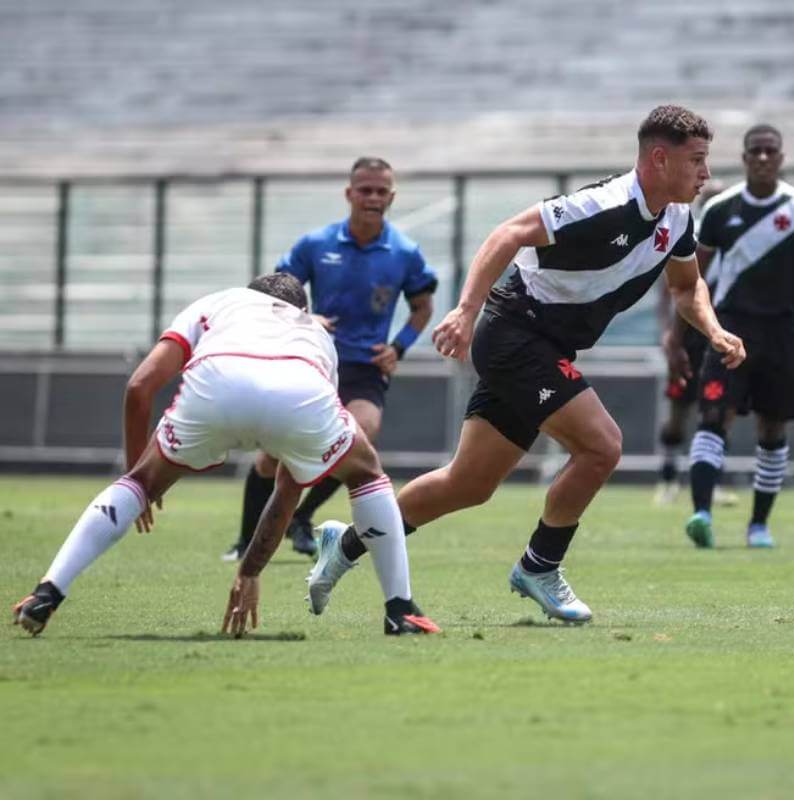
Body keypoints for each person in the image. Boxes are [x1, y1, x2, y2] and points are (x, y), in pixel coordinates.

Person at [303, 105, 746, 624]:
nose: (706, 173)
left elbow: (687, 285)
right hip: (515, 333)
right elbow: (506, 234)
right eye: (697, 160)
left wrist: (713, 331)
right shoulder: (601, 205)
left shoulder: (677, 218)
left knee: (467, 485)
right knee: (601, 446)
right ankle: (540, 566)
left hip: (545, 348)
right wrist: (465, 312)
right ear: (659, 159)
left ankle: (347, 543)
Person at [11, 274, 438, 638]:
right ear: (301, 308)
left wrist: (138, 476)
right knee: (365, 474)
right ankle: (400, 610)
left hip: (218, 380)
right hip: (299, 387)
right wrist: (251, 570)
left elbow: (140, 386)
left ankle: (47, 592)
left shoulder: (217, 303)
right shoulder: (317, 333)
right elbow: (289, 485)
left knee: (137, 486)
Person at [222, 157, 438, 562]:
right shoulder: (315, 244)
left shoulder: (405, 252)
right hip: (315, 361)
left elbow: (423, 307)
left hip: (365, 368)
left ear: (391, 197)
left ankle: (301, 517)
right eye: (365, 190)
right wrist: (305, 316)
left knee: (361, 436)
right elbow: (273, 293)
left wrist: (399, 347)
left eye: (380, 191)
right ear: (349, 194)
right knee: (272, 456)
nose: (372, 197)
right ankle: (246, 541)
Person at [677, 124, 794, 549]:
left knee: (773, 428)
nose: (764, 157)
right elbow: (690, 277)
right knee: (714, 417)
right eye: (756, 151)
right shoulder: (719, 210)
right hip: (731, 327)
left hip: (782, 331)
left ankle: (758, 526)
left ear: (781, 157)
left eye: (771, 150)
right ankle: (701, 515)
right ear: (745, 158)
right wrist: (679, 334)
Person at [653, 179, 738, 507]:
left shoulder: (734, 240)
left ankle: (710, 483)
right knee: (679, 409)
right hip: (689, 337)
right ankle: (668, 479)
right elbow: (670, 290)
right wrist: (668, 332)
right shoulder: (690, 237)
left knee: (719, 409)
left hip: (718, 336)